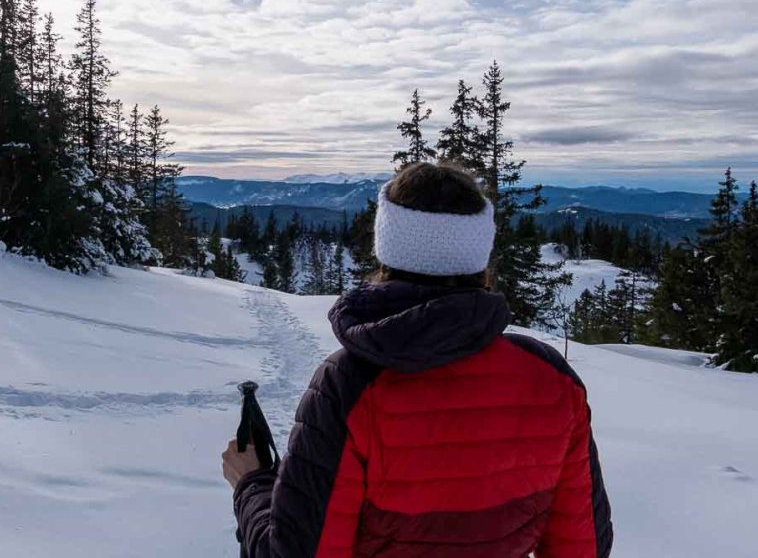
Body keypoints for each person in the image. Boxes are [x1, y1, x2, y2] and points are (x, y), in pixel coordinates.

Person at [222, 162, 613, 557]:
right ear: (478, 255)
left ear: (387, 249)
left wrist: (251, 483)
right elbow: (582, 548)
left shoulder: (350, 384)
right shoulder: (550, 378)